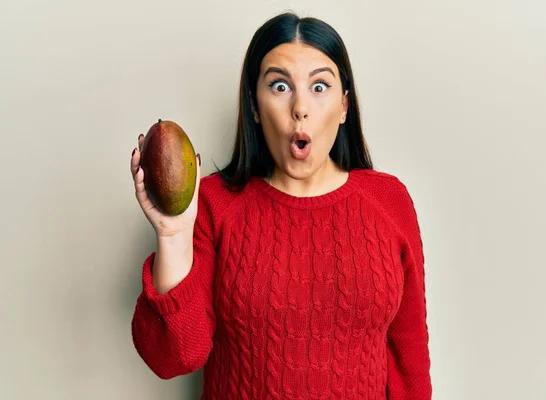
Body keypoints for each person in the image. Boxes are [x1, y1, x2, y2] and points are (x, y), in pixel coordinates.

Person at [129, 11, 432, 400]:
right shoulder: (213, 205)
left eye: (319, 86)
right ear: (254, 106)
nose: (300, 108)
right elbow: (174, 357)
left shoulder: (389, 203)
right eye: (280, 86)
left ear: (343, 107)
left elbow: (410, 368)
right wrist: (171, 233)